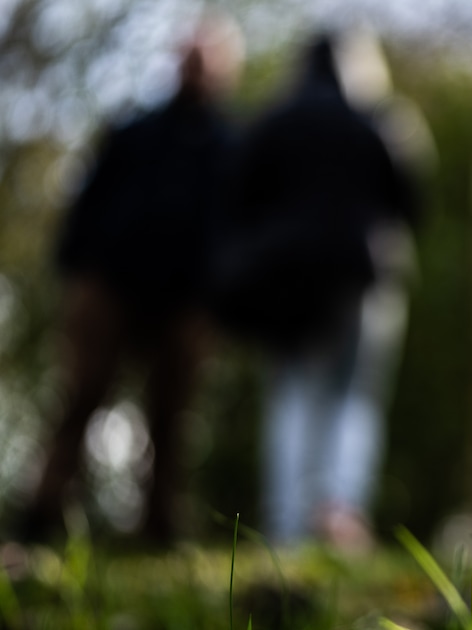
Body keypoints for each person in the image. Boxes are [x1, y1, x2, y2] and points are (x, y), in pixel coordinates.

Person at [17, 16, 242, 544]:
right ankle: (40, 517)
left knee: (172, 417)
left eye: (207, 57)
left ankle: (159, 533)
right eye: (189, 54)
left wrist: (220, 293)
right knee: (80, 397)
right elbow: (87, 201)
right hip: (111, 282)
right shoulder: (134, 130)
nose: (196, 65)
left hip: (187, 297)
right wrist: (76, 270)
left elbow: (237, 228)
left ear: (227, 69)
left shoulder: (232, 147)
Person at [214, 33, 419, 550]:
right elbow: (410, 201)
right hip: (357, 277)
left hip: (283, 281)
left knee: (292, 393)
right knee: (352, 395)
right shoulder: (377, 122)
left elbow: (237, 199)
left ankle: (287, 525)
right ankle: (340, 513)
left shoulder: (273, 122)